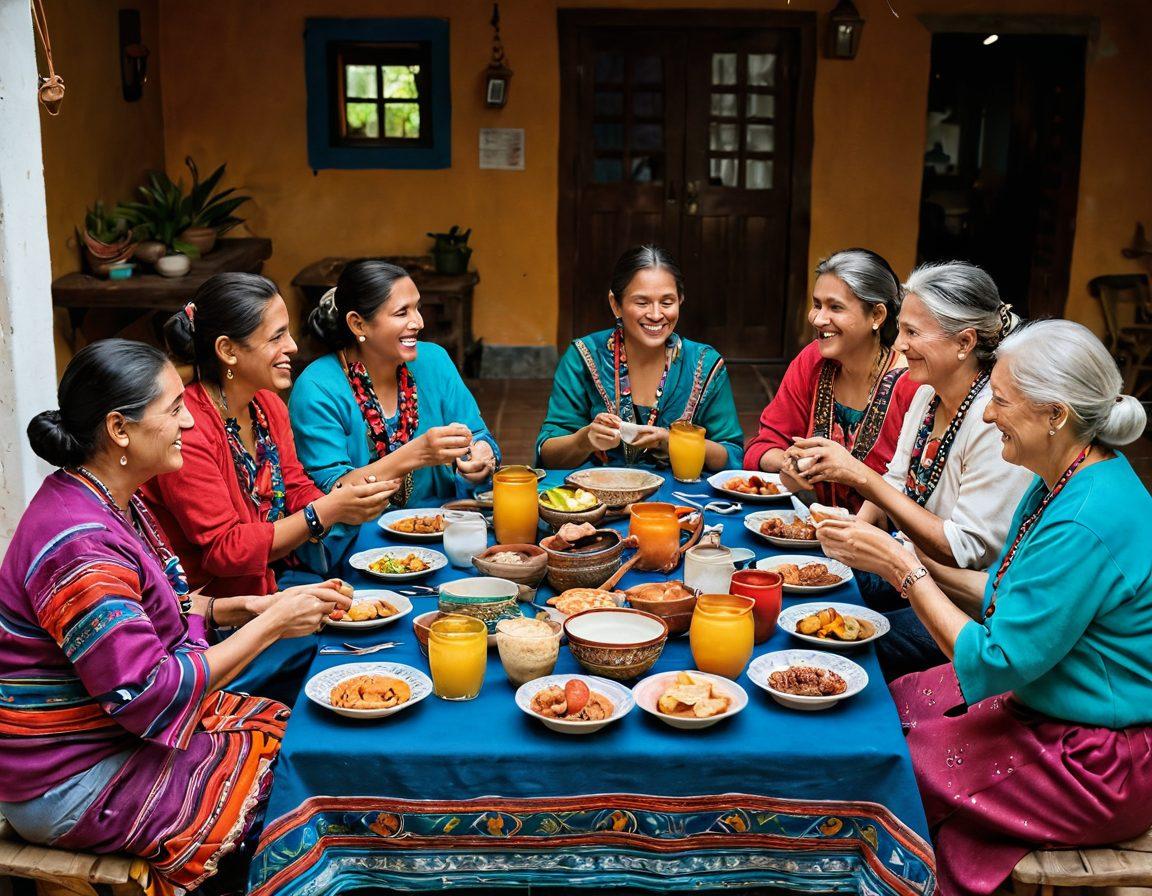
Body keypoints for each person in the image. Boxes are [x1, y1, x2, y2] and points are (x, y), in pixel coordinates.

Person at [0, 340, 351, 895]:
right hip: (72, 778)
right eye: (172, 409)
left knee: (296, 734)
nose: (189, 419)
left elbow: (155, 608)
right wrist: (272, 624)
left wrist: (239, 609)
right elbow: (146, 693)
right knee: (288, 795)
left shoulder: (106, 497)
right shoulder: (81, 547)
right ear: (119, 429)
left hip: (110, 740)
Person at [814, 320, 1152, 896]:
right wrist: (894, 551)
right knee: (882, 704)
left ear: (1056, 415)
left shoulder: (1084, 519)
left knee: (882, 760)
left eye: (999, 400)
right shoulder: (1060, 480)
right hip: (1041, 707)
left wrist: (904, 570)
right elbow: (999, 595)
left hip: (1094, 759)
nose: (988, 415)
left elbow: (995, 661)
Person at [785, 261, 1033, 679]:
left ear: (964, 342)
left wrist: (858, 476)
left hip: (964, 606)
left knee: (838, 651)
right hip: (914, 567)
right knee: (805, 597)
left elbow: (962, 550)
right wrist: (850, 540)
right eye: (901, 329)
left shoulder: (993, 421)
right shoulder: (926, 397)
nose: (898, 344)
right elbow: (896, 485)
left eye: (913, 333)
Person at [143, 272, 398, 600]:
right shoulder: (188, 431)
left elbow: (292, 486)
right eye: (276, 337)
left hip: (275, 581)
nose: (291, 346)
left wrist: (347, 500)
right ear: (228, 350)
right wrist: (327, 512)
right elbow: (225, 551)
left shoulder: (265, 406)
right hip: (210, 610)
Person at [291, 258, 499, 571]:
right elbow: (334, 494)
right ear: (358, 324)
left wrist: (480, 457)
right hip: (356, 550)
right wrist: (415, 454)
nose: (419, 322)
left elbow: (478, 435)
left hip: (443, 534)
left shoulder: (434, 361)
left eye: (417, 308)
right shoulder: (318, 387)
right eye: (402, 312)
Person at [537, 245, 744, 470]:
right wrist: (584, 440)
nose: (656, 315)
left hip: (684, 500)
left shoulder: (703, 364)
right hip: (600, 497)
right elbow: (548, 454)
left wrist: (673, 442)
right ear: (616, 304)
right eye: (642, 302)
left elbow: (731, 455)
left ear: (681, 300)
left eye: (667, 302)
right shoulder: (584, 357)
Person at [745, 248, 918, 511]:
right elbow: (763, 445)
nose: (818, 318)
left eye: (835, 307)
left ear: (877, 316)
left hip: (885, 542)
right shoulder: (812, 360)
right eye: (817, 305)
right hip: (814, 531)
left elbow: (915, 494)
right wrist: (787, 463)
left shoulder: (912, 384)